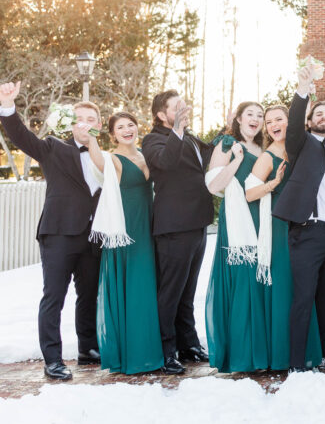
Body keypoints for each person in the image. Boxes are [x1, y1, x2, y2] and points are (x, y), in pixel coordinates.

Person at [0, 82, 102, 380]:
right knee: (54, 296)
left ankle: (88, 349)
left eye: (91, 120)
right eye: (79, 119)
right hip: (58, 233)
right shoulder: (53, 147)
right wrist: (7, 106)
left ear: (98, 126)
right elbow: (21, 137)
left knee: (89, 295)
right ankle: (53, 359)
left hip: (93, 236)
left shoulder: (104, 157)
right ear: (71, 124)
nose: (85, 124)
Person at [271, 63, 325, 373]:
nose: (324, 117)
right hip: (307, 232)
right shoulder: (301, 144)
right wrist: (303, 90)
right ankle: (296, 364)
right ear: (310, 121)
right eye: (318, 113)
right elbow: (292, 126)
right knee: (302, 299)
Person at [83, 111, 163, 375]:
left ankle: (149, 349)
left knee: (147, 286)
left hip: (148, 225)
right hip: (126, 231)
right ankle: (134, 355)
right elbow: (97, 160)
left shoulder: (144, 154)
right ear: (113, 134)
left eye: (131, 125)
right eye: (120, 127)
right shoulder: (112, 159)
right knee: (134, 286)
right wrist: (91, 138)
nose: (127, 130)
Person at [140, 90, 214, 374]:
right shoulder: (153, 140)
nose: (184, 110)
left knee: (187, 291)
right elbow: (165, 162)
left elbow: (207, 158)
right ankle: (166, 350)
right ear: (161, 114)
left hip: (197, 223)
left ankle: (189, 344)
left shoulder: (190, 136)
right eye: (177, 107)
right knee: (170, 292)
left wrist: (228, 131)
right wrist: (179, 130)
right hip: (173, 227)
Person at [244, 104, 321, 370]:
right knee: (286, 288)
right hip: (280, 230)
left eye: (279, 119)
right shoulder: (268, 156)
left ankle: (306, 353)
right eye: (269, 122)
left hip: (307, 226)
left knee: (303, 290)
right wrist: (273, 184)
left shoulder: (302, 148)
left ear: (292, 122)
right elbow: (249, 194)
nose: (273, 125)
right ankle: (281, 355)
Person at [205, 101, 272, 373]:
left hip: (261, 219)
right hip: (237, 226)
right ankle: (242, 355)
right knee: (242, 284)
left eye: (260, 116)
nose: (255, 120)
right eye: (250, 115)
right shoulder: (227, 143)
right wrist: (237, 161)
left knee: (259, 283)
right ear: (239, 119)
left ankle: (262, 353)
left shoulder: (265, 149)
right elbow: (213, 185)